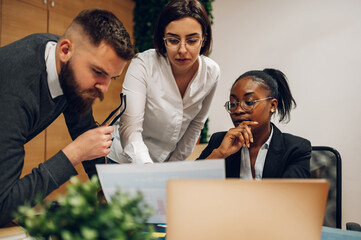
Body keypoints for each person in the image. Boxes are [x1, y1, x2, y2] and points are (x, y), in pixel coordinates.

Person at [0, 9, 134, 225]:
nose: (104, 89)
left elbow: (84, 128)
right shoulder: (14, 91)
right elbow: (3, 207)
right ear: (65, 51)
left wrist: (108, 191)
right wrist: (74, 153)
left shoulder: (69, 65)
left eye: (112, 77)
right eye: (98, 72)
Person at [107, 0, 220, 164]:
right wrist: (150, 170)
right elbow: (130, 128)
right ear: (163, 39)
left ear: (203, 40)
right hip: (125, 160)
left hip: (166, 163)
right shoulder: (143, 64)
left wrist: (172, 166)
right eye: (173, 40)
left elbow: (196, 125)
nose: (182, 50)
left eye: (192, 40)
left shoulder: (211, 73)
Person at [198, 69, 311, 179]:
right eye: (233, 104)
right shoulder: (219, 142)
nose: (238, 110)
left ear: (272, 105)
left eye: (249, 102)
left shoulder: (295, 148)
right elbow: (188, 186)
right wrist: (220, 153)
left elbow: (292, 195)